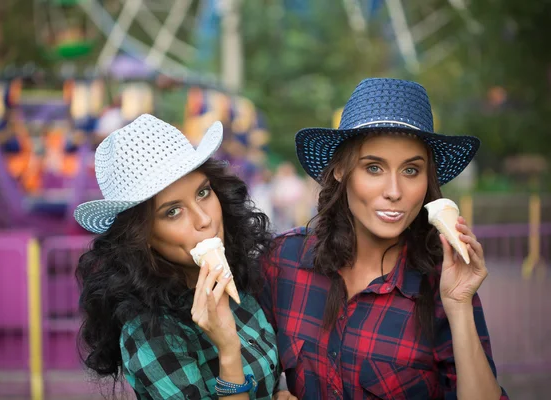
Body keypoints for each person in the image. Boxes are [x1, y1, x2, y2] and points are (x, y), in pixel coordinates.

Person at [259, 78, 510, 399]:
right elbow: (243, 370)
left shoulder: (442, 285)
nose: (394, 192)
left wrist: (459, 306)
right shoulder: (284, 261)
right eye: (374, 168)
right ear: (340, 170)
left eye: (410, 171)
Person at [74, 114, 280, 399]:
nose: (204, 219)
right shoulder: (151, 334)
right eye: (172, 211)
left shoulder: (242, 280)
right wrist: (228, 351)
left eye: (203, 193)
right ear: (141, 238)